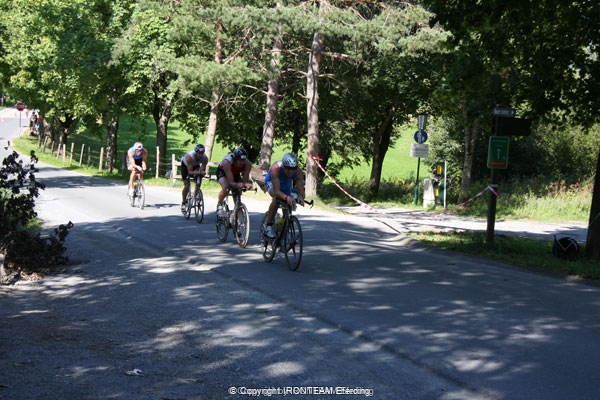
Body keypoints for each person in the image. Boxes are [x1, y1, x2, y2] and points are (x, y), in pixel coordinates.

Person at [263, 152, 305, 238]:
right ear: (284, 166)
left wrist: (301, 196)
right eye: (288, 168)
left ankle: (282, 229)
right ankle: (268, 226)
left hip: (285, 183)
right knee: (276, 198)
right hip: (271, 182)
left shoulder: (298, 171)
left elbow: (300, 186)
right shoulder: (276, 168)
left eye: (293, 168)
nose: (291, 171)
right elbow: (277, 191)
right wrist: (286, 197)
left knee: (287, 207)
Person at [216, 147, 253, 213]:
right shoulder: (227, 162)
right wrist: (237, 184)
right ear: (235, 159)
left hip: (235, 173)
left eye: (243, 160)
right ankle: (219, 204)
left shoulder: (247, 164)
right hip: (223, 172)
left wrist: (246, 184)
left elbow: (245, 180)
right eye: (240, 160)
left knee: (237, 190)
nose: (242, 162)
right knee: (226, 187)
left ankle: (236, 210)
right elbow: (231, 182)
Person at [180, 144, 209, 213]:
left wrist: (202, 172)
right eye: (199, 153)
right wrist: (196, 172)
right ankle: (183, 203)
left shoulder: (205, 158)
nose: (201, 155)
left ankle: (197, 193)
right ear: (196, 152)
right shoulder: (189, 157)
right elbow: (190, 172)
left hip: (195, 165)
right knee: (187, 185)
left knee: (199, 176)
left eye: (202, 153)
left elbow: (202, 169)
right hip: (186, 166)